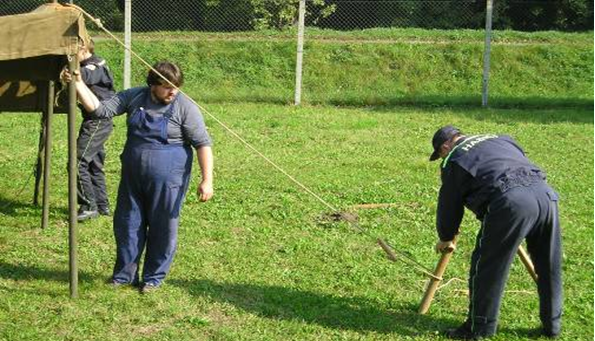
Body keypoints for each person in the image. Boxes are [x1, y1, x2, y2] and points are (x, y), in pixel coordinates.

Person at [64, 61, 214, 294]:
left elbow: (202, 144)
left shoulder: (185, 106)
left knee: (162, 227)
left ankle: (153, 278)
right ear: (152, 84)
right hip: (133, 177)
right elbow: (99, 110)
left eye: (176, 86)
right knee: (127, 224)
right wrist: (78, 83)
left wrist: (207, 180)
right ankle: (124, 275)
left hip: (169, 179)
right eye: (166, 87)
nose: (173, 91)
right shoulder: (134, 97)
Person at [429, 125, 562, 340]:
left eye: (440, 153)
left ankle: (478, 328)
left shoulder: (453, 158)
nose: (442, 157)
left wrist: (446, 236)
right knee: (549, 265)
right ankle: (552, 325)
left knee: (487, 267)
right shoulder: (501, 138)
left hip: (511, 204)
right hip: (545, 194)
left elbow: (449, 206)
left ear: (445, 146)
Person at [75, 40, 116, 221]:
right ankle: (102, 205)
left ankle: (88, 205)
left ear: (83, 48)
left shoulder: (95, 64)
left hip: (98, 121)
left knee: (77, 162)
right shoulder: (88, 63)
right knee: (94, 165)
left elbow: (86, 76)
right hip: (95, 120)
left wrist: (72, 72)